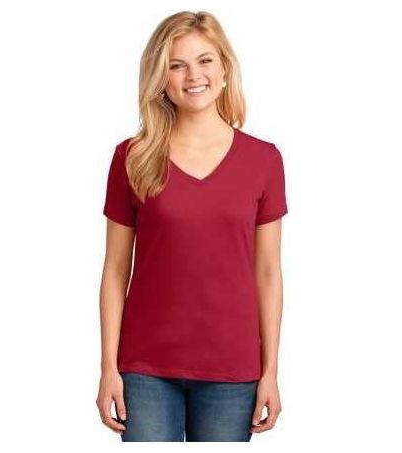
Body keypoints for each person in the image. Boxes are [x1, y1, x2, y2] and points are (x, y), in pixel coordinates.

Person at [96, 10, 288, 442]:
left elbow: (268, 272)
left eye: (204, 60)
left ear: (224, 67)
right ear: (160, 78)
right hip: (144, 368)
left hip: (232, 369)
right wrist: (108, 366)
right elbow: (115, 270)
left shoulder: (264, 160)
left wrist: (271, 371)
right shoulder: (132, 156)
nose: (193, 76)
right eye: (176, 65)